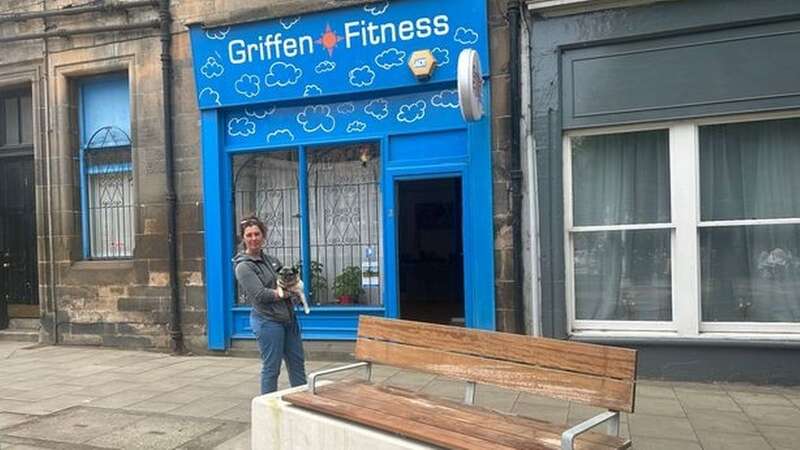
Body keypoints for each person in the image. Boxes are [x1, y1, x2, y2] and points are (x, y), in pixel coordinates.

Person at [233, 215, 307, 394]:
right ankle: (267, 409)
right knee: (272, 368)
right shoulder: (243, 267)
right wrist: (287, 293)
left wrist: (296, 293)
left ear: (263, 236)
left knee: (297, 365)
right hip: (267, 322)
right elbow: (260, 294)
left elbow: (288, 283)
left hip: (288, 319)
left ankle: (304, 405)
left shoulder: (273, 261)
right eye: (249, 235)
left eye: (257, 234)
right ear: (243, 238)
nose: (253, 239)